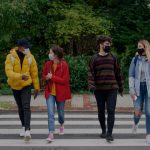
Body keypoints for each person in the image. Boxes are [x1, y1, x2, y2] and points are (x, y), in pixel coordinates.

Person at [88, 35, 123, 142]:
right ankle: (103, 130)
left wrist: (121, 88)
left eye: (109, 44)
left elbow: (118, 73)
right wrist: (91, 86)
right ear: (101, 44)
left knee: (111, 110)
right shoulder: (94, 58)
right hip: (99, 89)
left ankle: (109, 133)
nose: (109, 45)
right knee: (101, 111)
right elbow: (90, 73)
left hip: (112, 88)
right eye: (107, 44)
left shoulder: (114, 57)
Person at [5, 39, 40, 141]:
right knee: (20, 107)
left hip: (26, 85)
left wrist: (36, 87)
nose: (27, 49)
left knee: (26, 106)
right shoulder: (10, 57)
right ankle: (23, 126)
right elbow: (9, 72)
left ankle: (28, 130)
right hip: (15, 85)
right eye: (26, 47)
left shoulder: (30, 57)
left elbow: (34, 73)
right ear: (20, 47)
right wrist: (20, 76)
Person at [42, 46, 71, 142]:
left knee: (61, 114)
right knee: (50, 113)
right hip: (50, 92)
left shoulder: (64, 65)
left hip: (61, 93)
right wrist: (46, 77)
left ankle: (61, 124)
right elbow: (44, 76)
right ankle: (51, 133)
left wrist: (52, 77)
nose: (49, 54)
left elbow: (65, 80)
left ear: (56, 54)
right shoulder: (48, 64)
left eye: (51, 52)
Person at [129, 40, 150, 144]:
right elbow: (131, 75)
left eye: (141, 46)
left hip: (148, 89)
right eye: (138, 46)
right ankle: (136, 122)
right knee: (137, 111)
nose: (139, 48)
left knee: (149, 112)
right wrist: (131, 89)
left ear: (146, 47)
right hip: (137, 89)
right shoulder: (135, 60)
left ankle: (148, 135)